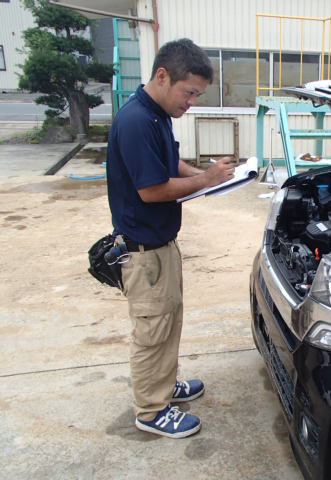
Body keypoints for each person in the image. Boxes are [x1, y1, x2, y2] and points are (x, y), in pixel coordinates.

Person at [106, 38, 235, 438]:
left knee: (168, 321)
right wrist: (203, 181)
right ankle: (150, 410)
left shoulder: (158, 115)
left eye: (197, 95)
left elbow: (171, 164)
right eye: (189, 92)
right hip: (143, 253)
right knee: (152, 331)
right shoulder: (136, 121)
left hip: (162, 245)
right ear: (163, 76)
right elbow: (152, 190)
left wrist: (202, 173)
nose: (191, 102)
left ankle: (164, 384)